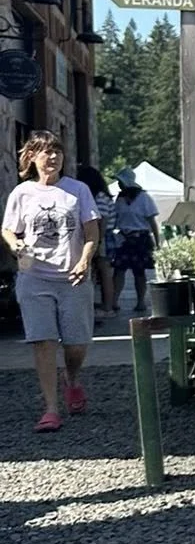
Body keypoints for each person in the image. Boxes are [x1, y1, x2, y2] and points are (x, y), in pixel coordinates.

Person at [1, 132, 100, 431]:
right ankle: (51, 408)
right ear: (31, 157)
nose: (53, 157)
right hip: (33, 278)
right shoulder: (22, 193)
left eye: (57, 151)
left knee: (76, 344)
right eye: (45, 152)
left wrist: (84, 261)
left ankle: (71, 378)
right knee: (42, 341)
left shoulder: (77, 190)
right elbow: (8, 229)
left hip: (72, 277)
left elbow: (92, 233)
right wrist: (14, 245)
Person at [109, 166, 159, 314]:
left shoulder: (144, 198)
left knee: (139, 271)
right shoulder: (119, 199)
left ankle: (141, 301)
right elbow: (115, 219)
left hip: (140, 238)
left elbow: (152, 221)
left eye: (121, 182)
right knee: (119, 270)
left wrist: (157, 242)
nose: (119, 185)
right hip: (124, 238)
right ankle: (114, 300)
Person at [77, 163, 116, 317]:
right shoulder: (103, 196)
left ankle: (108, 307)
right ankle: (106, 305)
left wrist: (98, 240)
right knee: (103, 272)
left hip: (103, 237)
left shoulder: (99, 197)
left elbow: (102, 220)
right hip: (105, 237)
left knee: (104, 272)